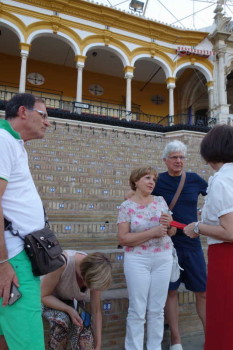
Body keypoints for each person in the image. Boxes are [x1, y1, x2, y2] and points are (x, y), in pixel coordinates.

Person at [0, 93, 50, 350]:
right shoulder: (3, 140)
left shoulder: (12, 142)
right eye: (43, 115)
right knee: (28, 342)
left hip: (15, 256)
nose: (48, 122)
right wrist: (3, 263)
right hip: (14, 259)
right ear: (23, 112)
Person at [153, 140, 208, 350]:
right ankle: (176, 340)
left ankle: (209, 336)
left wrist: (204, 215)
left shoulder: (194, 179)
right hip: (167, 243)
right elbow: (135, 194)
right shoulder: (157, 180)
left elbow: (214, 197)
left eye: (182, 157)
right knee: (171, 292)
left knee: (202, 291)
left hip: (192, 243)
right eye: (174, 157)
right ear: (165, 160)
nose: (178, 161)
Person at [184, 124, 233, 350]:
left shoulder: (222, 180)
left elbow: (230, 231)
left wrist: (198, 226)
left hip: (226, 258)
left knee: (223, 319)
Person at [117, 166, 176, 350]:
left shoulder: (160, 201)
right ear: (136, 181)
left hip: (163, 258)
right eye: (147, 178)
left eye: (154, 179)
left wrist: (169, 226)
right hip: (137, 260)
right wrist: (152, 232)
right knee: (137, 310)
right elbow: (123, 238)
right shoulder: (126, 206)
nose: (152, 182)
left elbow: (172, 230)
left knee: (157, 310)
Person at [41, 250, 112, 350]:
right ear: (85, 276)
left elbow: (96, 311)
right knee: (61, 322)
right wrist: (69, 310)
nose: (92, 289)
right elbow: (43, 295)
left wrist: (98, 345)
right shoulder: (62, 263)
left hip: (71, 301)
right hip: (48, 299)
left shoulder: (96, 273)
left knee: (85, 334)